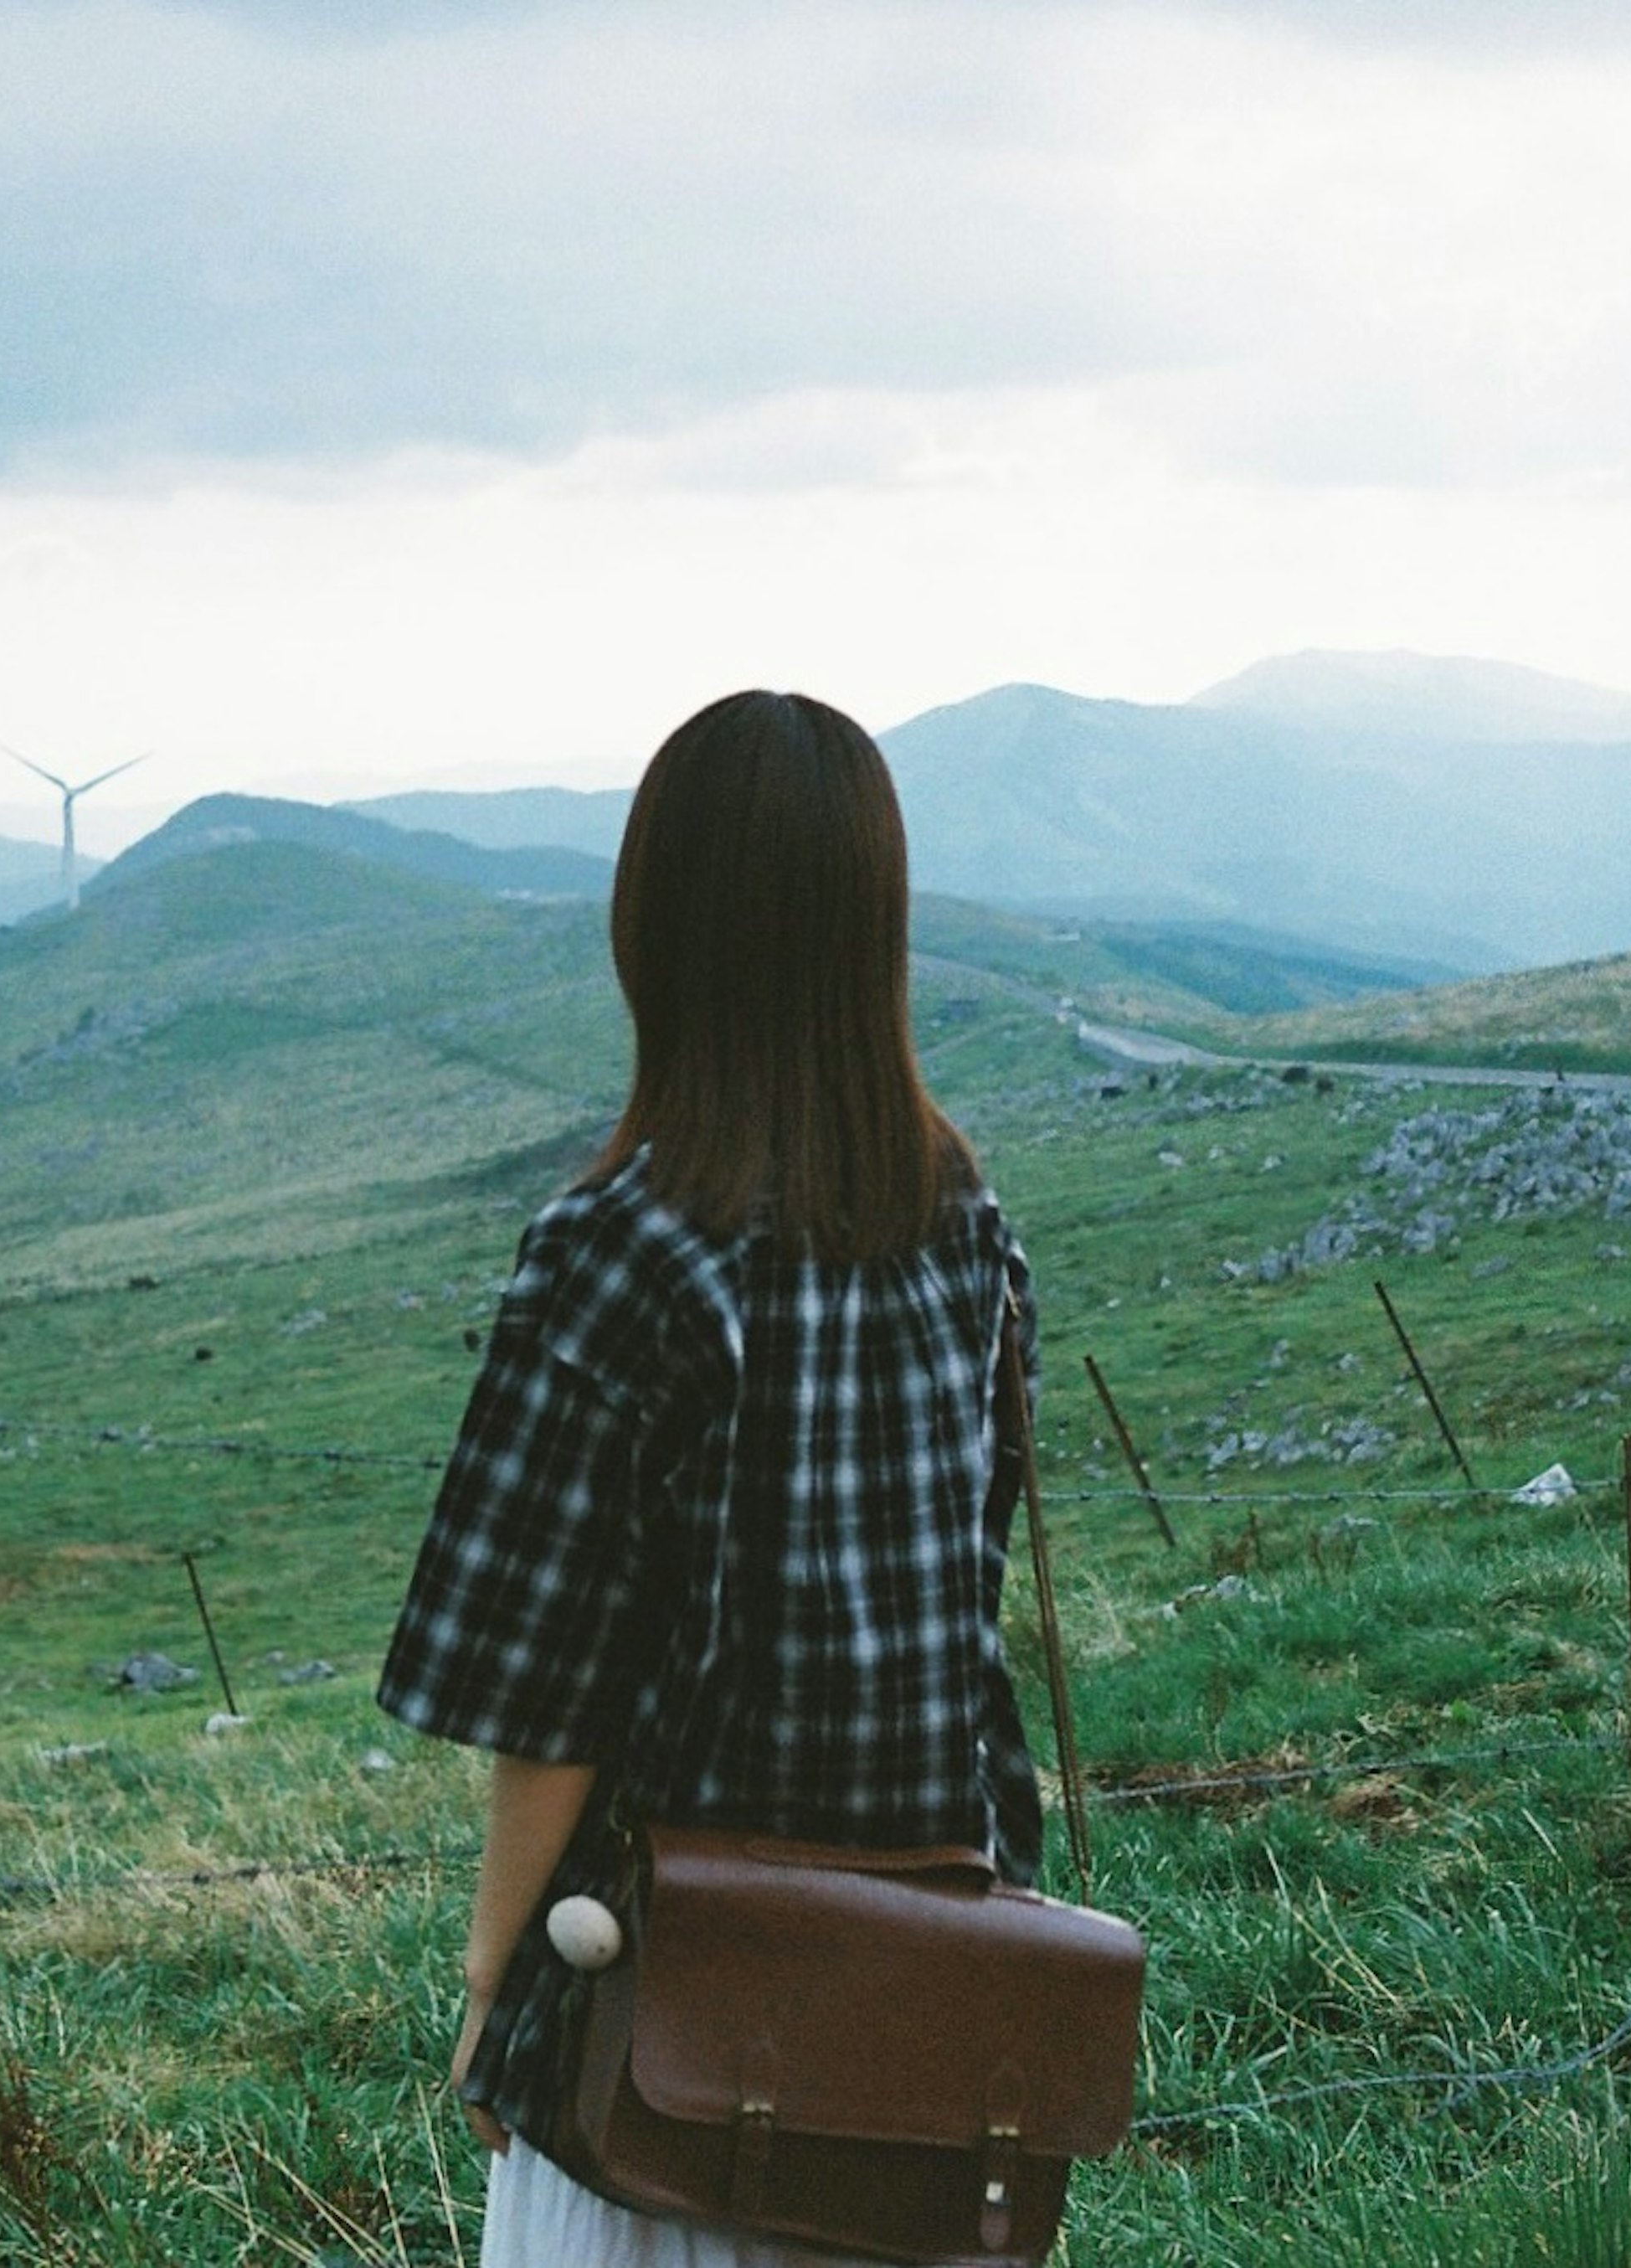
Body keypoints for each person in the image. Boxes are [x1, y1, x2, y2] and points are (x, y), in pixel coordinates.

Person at [375, 689, 1042, 2264]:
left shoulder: (617, 1251)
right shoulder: (963, 1226)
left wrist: (493, 1991)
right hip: (932, 2006)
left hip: (665, 2027)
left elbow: (546, 1700)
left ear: (654, 927)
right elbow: (973, 1589)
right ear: (871, 932)